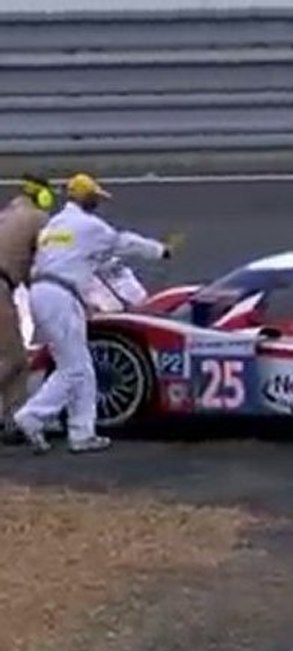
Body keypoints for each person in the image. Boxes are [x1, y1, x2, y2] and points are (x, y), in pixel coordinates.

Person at [13, 173, 175, 454]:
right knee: (74, 368)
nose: (98, 202)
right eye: (95, 198)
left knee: (80, 367)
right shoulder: (89, 227)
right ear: (85, 198)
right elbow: (125, 242)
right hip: (61, 297)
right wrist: (160, 250)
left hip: (42, 294)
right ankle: (32, 416)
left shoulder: (53, 227)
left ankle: (82, 432)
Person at [0, 175, 56, 444]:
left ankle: (11, 422)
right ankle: (13, 420)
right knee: (15, 361)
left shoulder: (8, 214)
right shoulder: (37, 219)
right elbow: (46, 264)